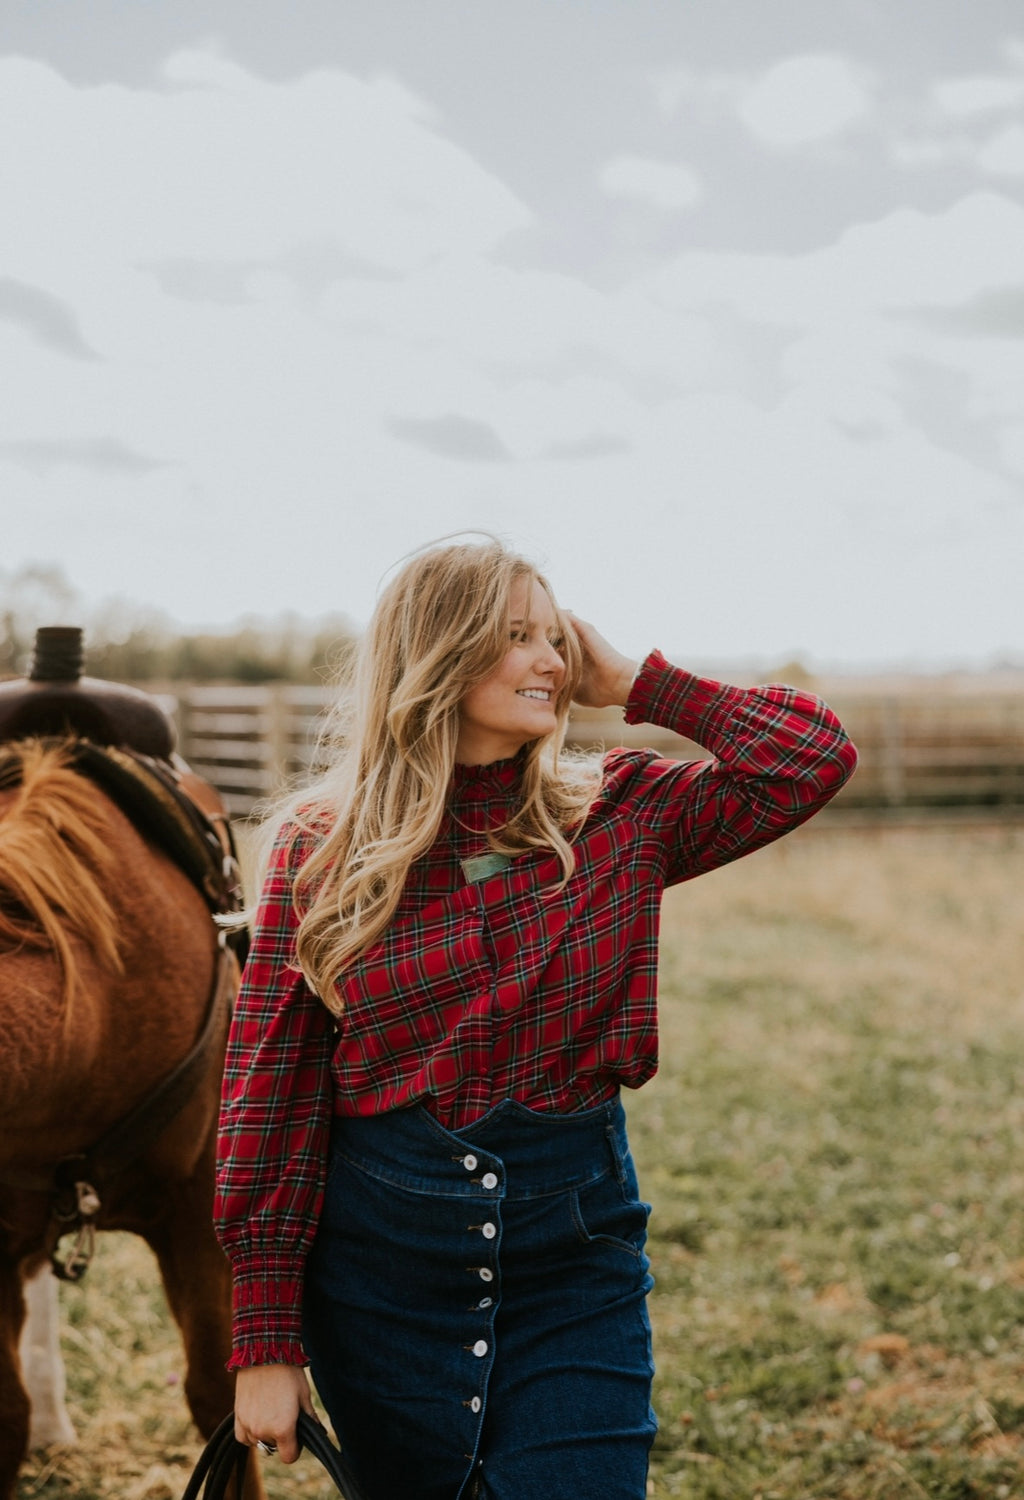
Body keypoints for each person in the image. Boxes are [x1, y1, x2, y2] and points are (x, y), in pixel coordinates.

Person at [214, 537, 857, 1500]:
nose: (551, 662)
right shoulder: (323, 848)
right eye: (516, 637)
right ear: (438, 651)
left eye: (556, 639)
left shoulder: (617, 814)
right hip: (382, 1286)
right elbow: (269, 1090)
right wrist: (266, 1336)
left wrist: (639, 680)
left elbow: (809, 759)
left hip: (574, 1270)